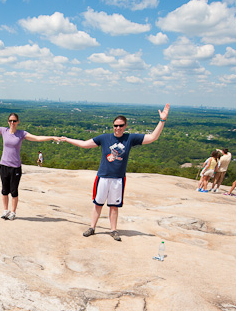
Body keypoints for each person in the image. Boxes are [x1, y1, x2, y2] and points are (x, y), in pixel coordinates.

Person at [60, 103, 170, 241]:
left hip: (118, 178)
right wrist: (66, 139)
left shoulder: (129, 139)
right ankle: (92, 227)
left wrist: (162, 120)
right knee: (97, 203)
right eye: (115, 125)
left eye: (121, 125)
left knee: (114, 206)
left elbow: (153, 137)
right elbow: (84, 144)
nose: (118, 128)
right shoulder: (104, 138)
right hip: (103, 177)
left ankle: (113, 230)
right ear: (113, 126)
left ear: (125, 126)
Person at [0, 97, 58, 221]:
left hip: (15, 167)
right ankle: (5, 210)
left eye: (14, 121)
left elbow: (37, 138)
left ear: (18, 122)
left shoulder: (22, 134)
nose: (12, 123)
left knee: (14, 191)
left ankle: (13, 212)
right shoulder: (4, 131)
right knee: (4, 190)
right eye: (10, 121)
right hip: (4, 165)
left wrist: (52, 137)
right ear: (8, 122)